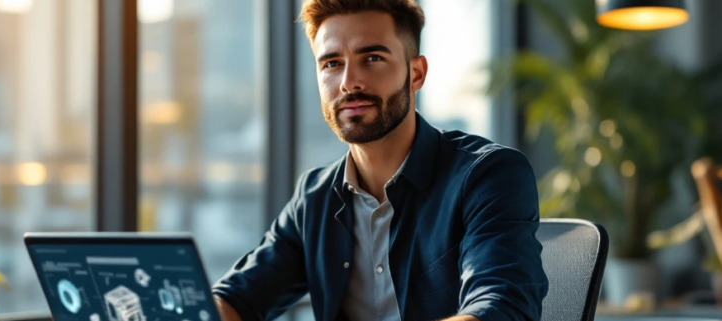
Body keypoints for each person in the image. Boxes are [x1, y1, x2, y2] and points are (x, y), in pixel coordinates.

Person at [212, 0, 548, 320]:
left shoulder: (487, 175)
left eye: (371, 58)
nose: (348, 83)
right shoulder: (314, 198)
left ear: (415, 74)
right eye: (331, 63)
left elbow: (502, 308)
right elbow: (238, 298)